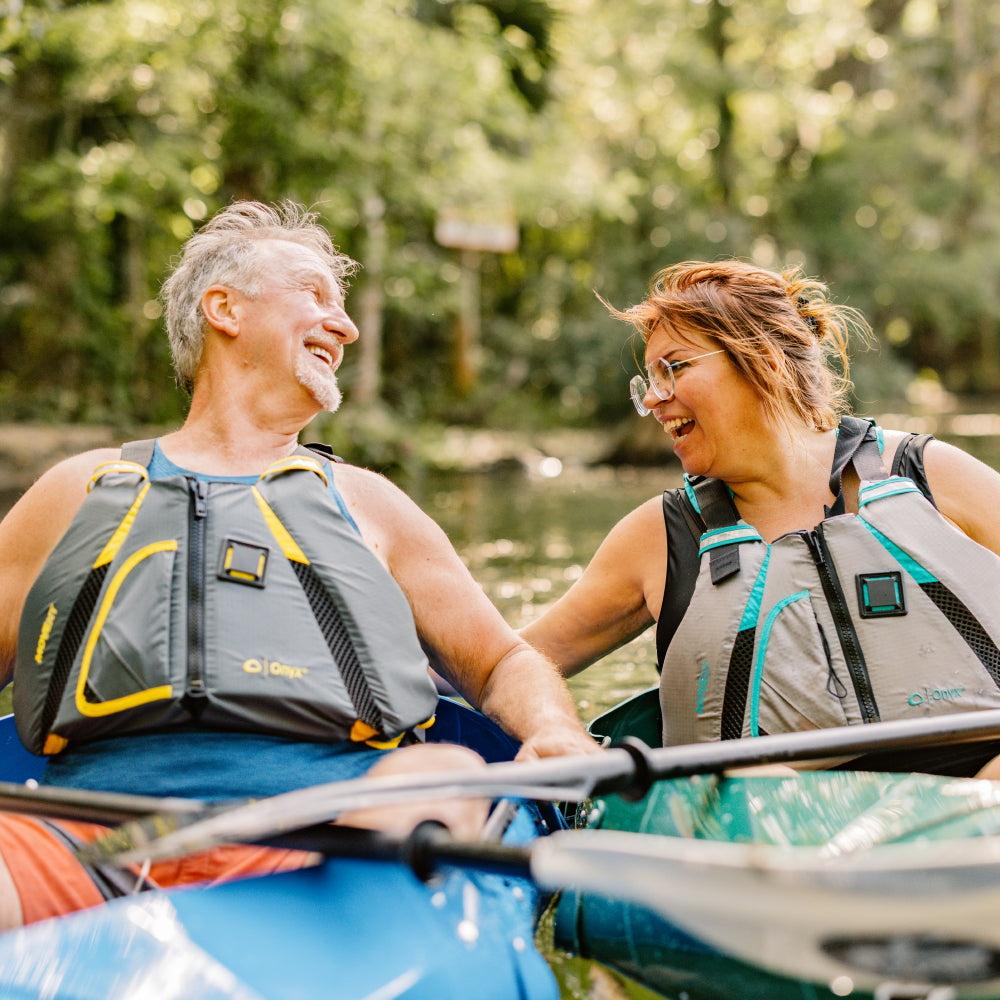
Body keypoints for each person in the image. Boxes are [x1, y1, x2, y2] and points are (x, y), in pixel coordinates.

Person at [0, 200, 597, 930]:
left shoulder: (371, 504)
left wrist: (555, 729)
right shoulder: (78, 491)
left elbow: (504, 662)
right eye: (315, 295)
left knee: (445, 772)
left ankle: (360, 929)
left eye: (342, 307)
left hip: (329, 833)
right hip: (89, 842)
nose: (343, 326)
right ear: (224, 309)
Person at [522, 258, 1000, 777]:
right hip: (772, 824)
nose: (656, 400)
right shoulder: (657, 539)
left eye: (675, 368)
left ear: (766, 360)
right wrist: (556, 727)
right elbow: (506, 664)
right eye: (650, 380)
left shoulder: (929, 474)